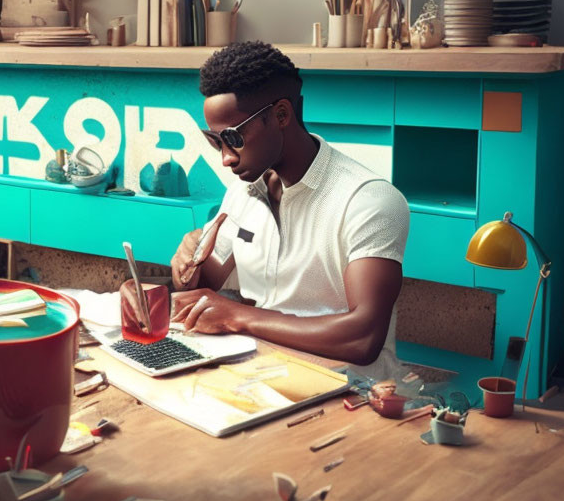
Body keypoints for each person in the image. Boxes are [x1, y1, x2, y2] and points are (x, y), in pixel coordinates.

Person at [170, 41, 409, 373]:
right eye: (215, 141)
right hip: (250, 375)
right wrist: (186, 268)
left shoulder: (368, 201)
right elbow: (201, 287)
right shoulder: (243, 190)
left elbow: (364, 337)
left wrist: (240, 316)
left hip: (344, 393)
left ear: (281, 115)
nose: (225, 158)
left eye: (234, 139)